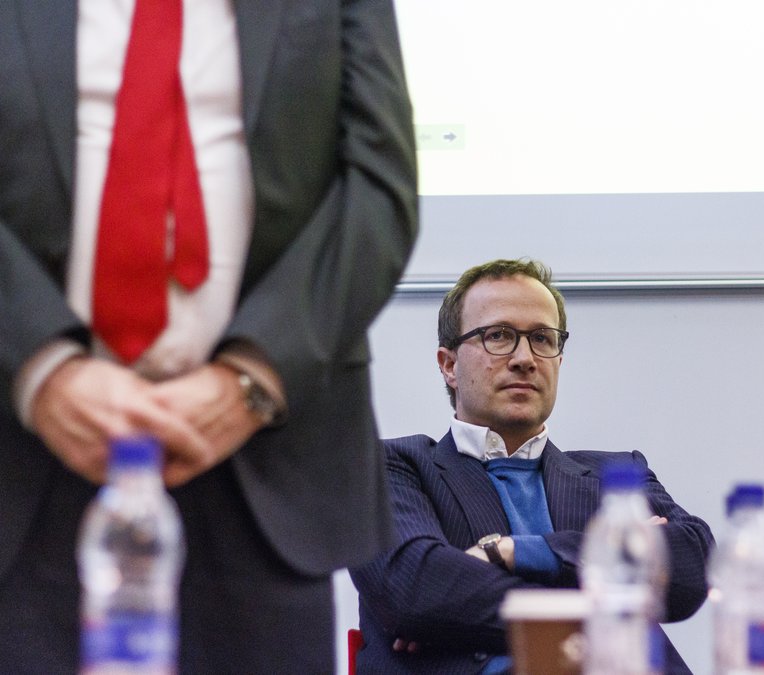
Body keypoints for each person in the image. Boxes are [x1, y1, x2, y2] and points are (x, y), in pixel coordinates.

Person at [0, 1, 417, 673]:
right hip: (22, 455)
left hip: (268, 462)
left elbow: (378, 187)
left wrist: (253, 376)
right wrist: (41, 368)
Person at [349, 259, 714, 674]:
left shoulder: (614, 475)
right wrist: (614, 592)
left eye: (542, 338)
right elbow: (417, 593)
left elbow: (692, 568)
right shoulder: (392, 468)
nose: (525, 358)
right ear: (449, 365)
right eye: (498, 336)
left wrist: (515, 551)